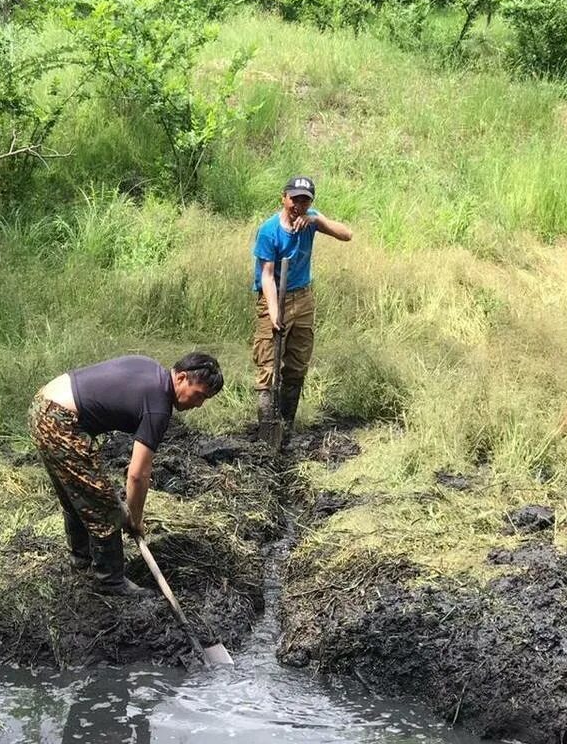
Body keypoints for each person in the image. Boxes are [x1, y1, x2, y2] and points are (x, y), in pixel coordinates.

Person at [29, 352, 223, 597]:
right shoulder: (159, 407)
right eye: (199, 395)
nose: (198, 404)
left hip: (42, 404)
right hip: (60, 420)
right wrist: (134, 518)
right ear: (182, 377)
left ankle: (82, 562)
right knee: (104, 506)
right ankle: (109, 581)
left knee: (77, 495)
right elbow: (138, 475)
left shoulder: (151, 368)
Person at [251, 175, 353, 444]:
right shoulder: (269, 231)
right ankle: (267, 431)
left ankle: (286, 425)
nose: (299, 205)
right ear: (284, 198)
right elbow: (267, 276)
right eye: (294, 199)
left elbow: (347, 234)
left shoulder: (311, 220)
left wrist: (317, 221)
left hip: (303, 298)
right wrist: (274, 314)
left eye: (305, 200)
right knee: (268, 364)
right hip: (273, 296)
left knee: (296, 364)